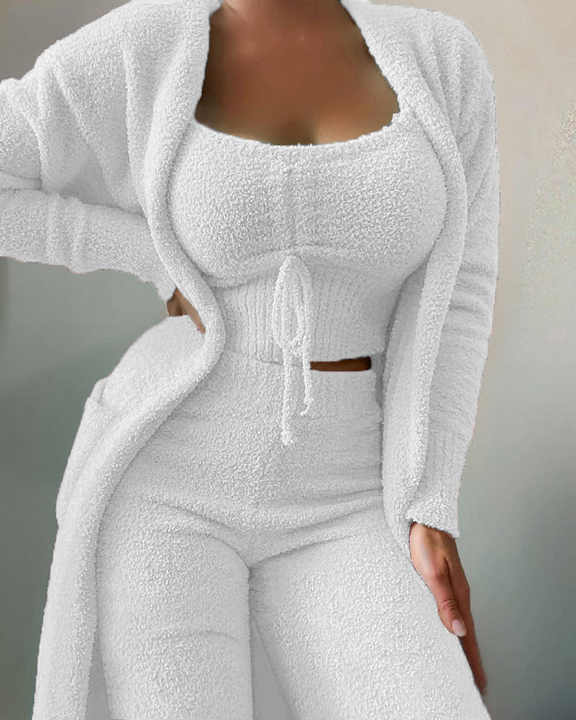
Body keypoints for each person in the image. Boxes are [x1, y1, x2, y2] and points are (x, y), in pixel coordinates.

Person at [0, 0, 500, 718]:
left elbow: (462, 292)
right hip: (169, 488)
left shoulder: (441, 57)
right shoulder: (148, 41)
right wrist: (152, 257)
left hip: (351, 488)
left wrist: (431, 501)